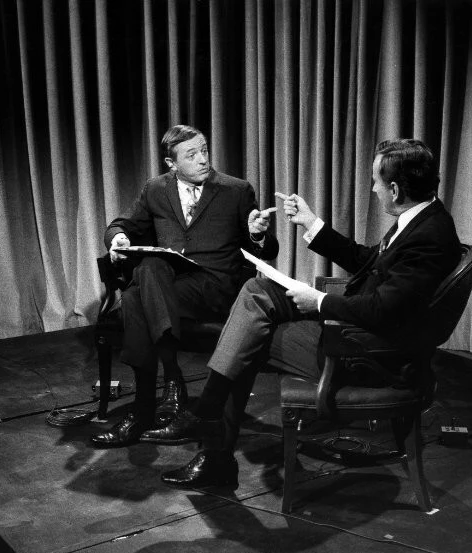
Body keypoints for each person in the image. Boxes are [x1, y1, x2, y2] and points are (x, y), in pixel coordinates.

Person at [140, 138, 462, 489]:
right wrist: (312, 224)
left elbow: (383, 309)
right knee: (258, 290)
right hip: (360, 332)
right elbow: (368, 262)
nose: (373, 189)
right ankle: (210, 422)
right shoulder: (422, 218)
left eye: (376, 182)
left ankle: (212, 437)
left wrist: (319, 301)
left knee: (247, 336)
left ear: (396, 189)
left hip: (366, 355)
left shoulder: (428, 236)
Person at [91, 124, 279, 447]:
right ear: (172, 163)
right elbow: (121, 224)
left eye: (203, 150)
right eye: (191, 155)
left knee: (137, 294)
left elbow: (268, 250)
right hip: (172, 285)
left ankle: (148, 403)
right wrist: (118, 237)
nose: (202, 159)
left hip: (215, 286)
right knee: (146, 275)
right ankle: (164, 383)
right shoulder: (156, 189)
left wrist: (257, 233)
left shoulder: (236, 190)